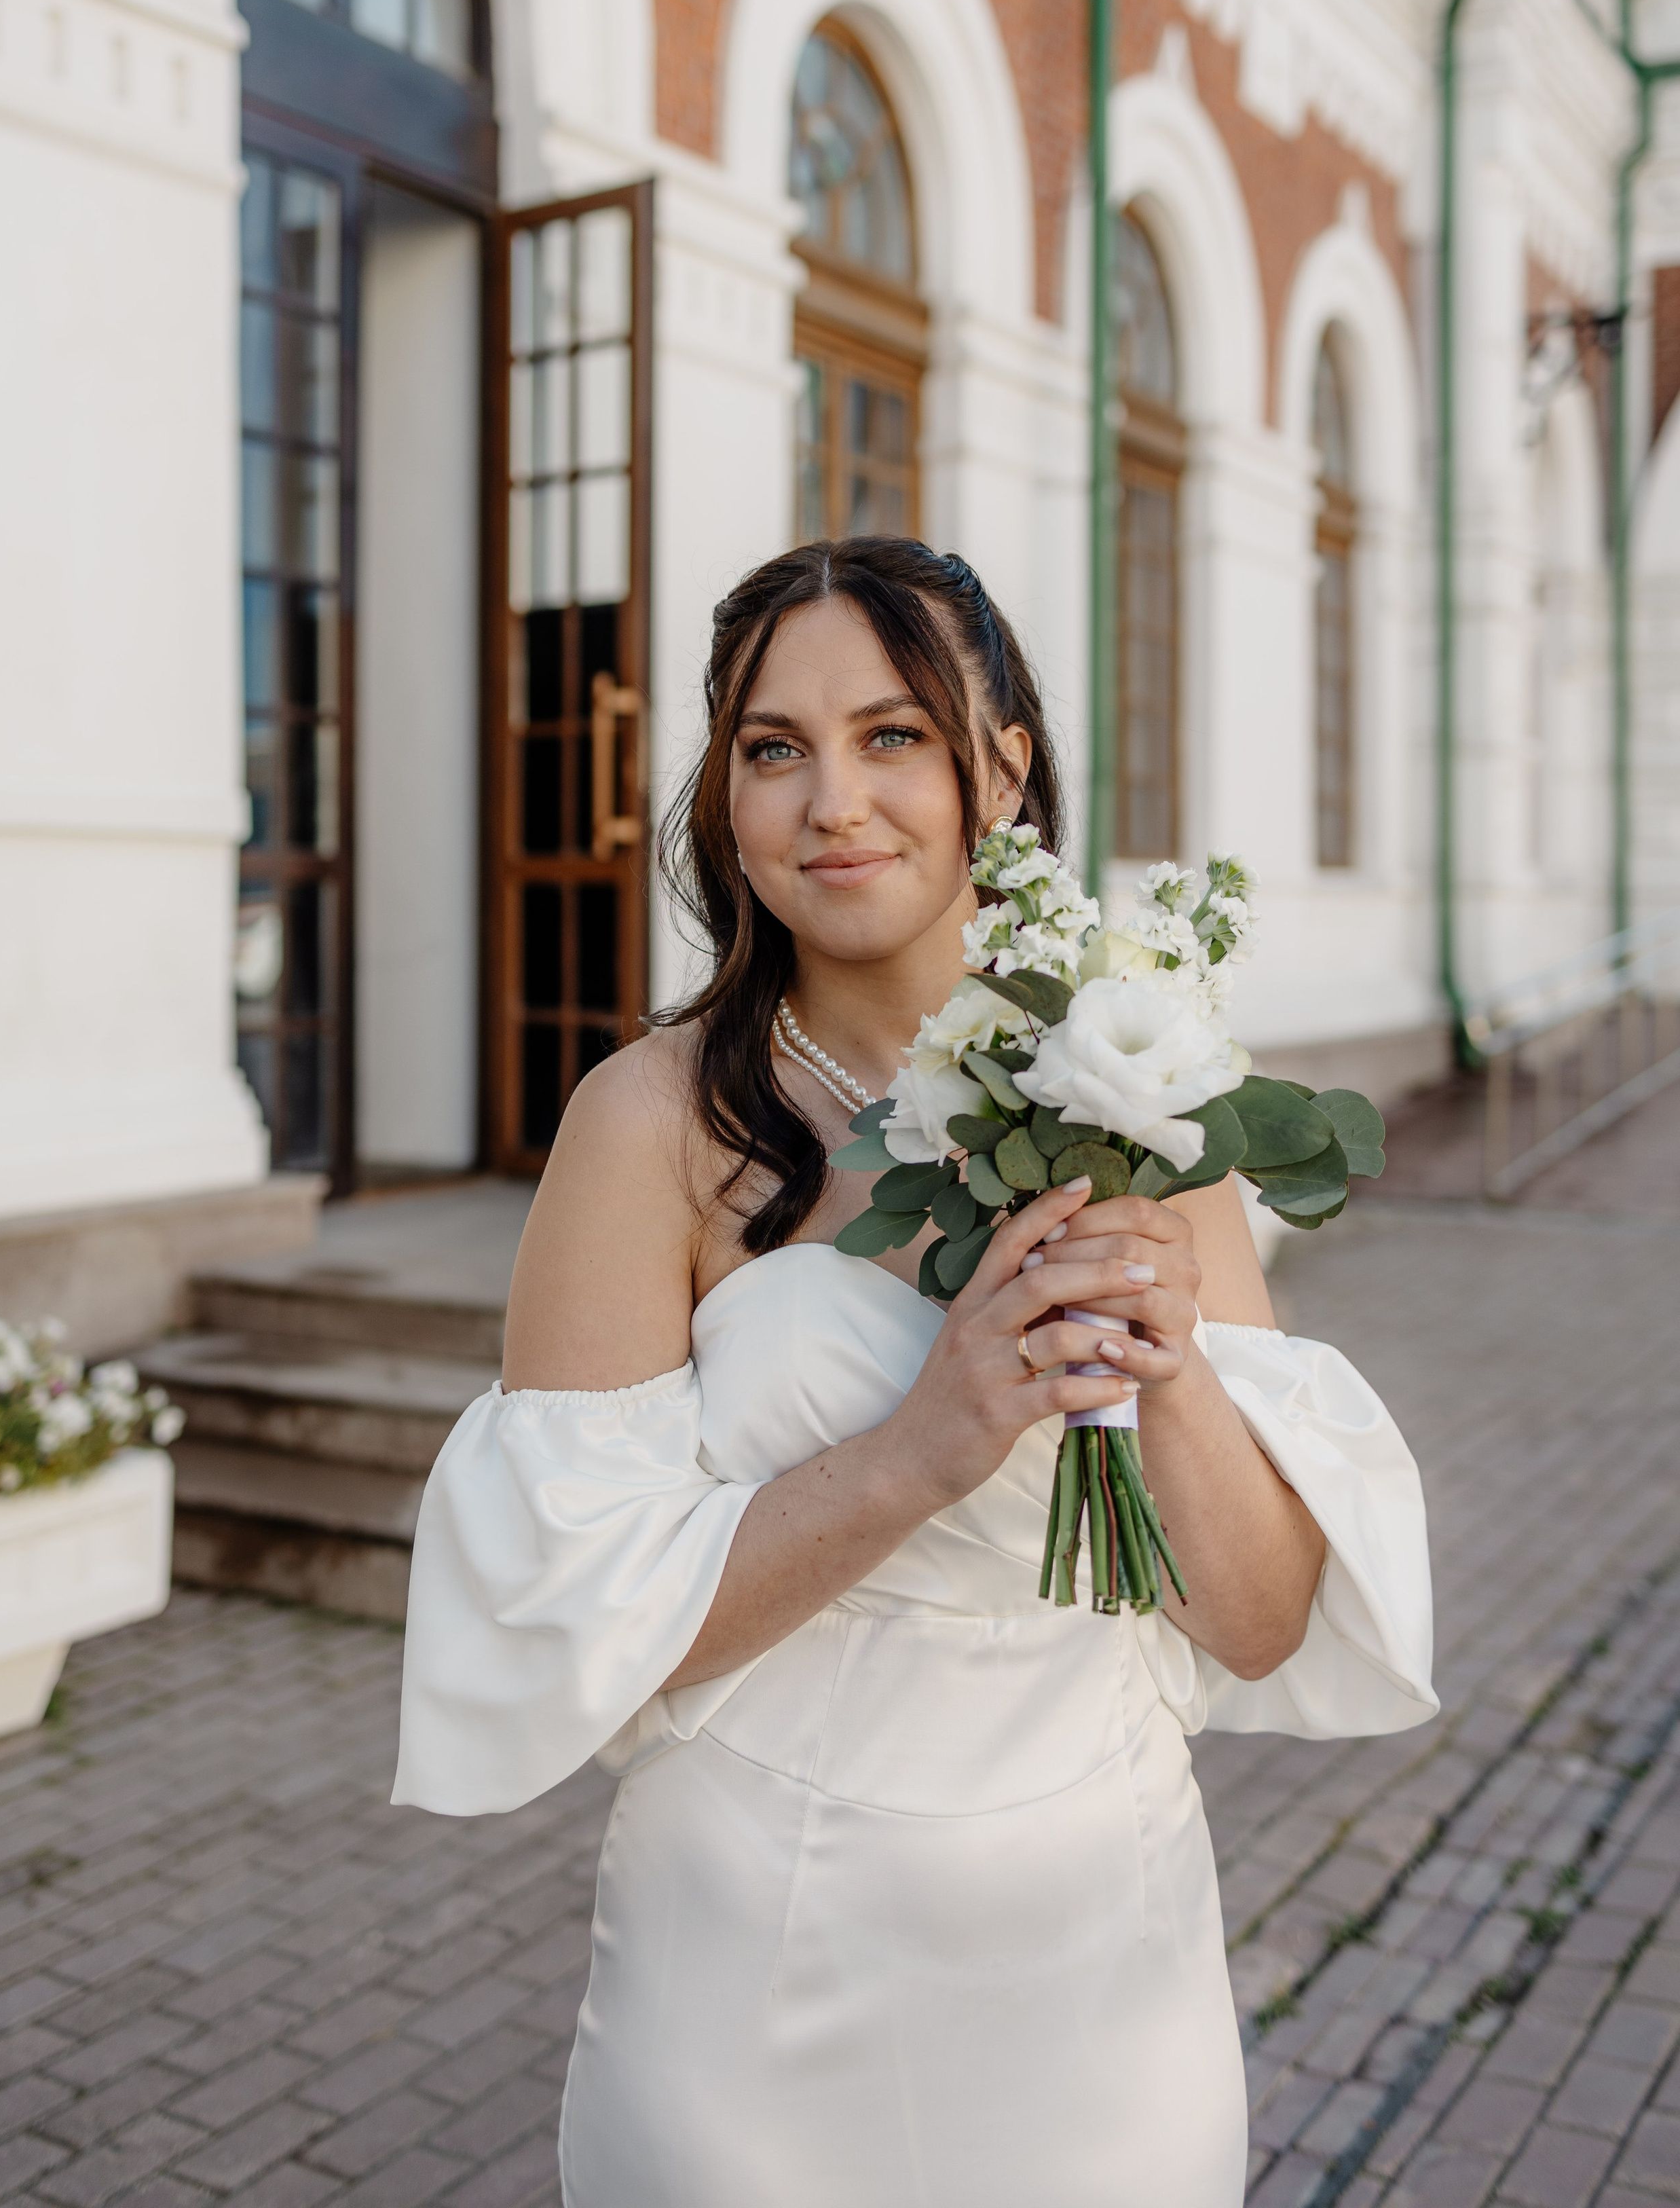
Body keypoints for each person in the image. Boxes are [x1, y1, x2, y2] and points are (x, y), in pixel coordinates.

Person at [394, 537, 1436, 2207]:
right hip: (750, 1968)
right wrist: (921, 1445)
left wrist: (1165, 1374)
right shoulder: (649, 1127)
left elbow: (1252, 1625)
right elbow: (568, 1612)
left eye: (891, 736)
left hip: (1101, 1969)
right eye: (771, 747)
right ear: (722, 797)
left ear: (999, 768)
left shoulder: (1148, 1092)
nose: (832, 803)